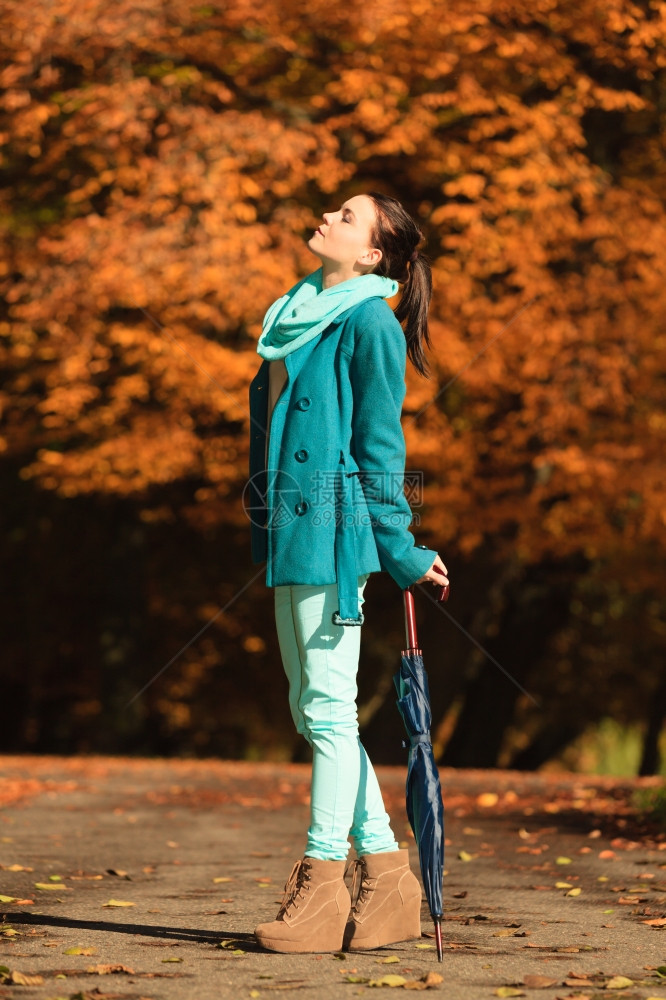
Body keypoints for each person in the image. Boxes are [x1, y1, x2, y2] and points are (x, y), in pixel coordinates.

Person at [247, 192, 449, 954]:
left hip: (333, 537)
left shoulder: (367, 321)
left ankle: (323, 889)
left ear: (371, 255)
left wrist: (401, 547)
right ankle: (392, 877)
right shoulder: (297, 314)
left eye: (347, 215)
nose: (327, 215)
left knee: (328, 712)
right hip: (292, 536)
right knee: (315, 712)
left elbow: (378, 450)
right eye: (333, 207)